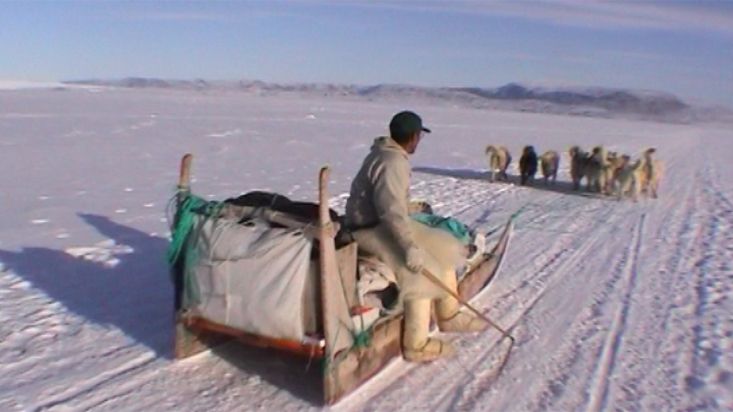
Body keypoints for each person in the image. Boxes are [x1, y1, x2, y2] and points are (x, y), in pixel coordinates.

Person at [344, 111, 488, 363]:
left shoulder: (387, 154)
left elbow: (391, 205)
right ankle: (416, 344)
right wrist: (409, 247)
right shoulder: (392, 162)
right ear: (413, 137)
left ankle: (449, 315)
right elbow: (391, 212)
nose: (419, 141)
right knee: (421, 272)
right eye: (419, 136)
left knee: (443, 248)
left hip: (381, 223)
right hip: (369, 229)